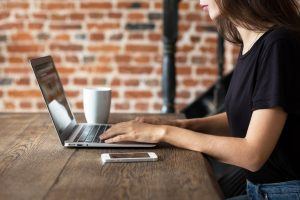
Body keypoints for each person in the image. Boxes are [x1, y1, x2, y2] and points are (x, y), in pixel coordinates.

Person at [100, 0, 300, 199]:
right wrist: (183, 125)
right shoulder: (252, 41)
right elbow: (245, 117)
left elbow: (252, 155)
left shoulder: (278, 44)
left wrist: (163, 133)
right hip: (259, 190)